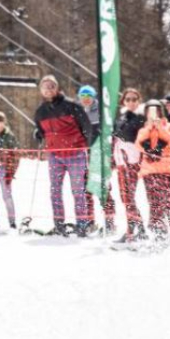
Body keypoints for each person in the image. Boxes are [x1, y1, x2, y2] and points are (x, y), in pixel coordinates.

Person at [33, 75, 96, 235]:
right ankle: (59, 224)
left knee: (77, 191)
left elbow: (86, 127)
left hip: (75, 154)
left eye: (52, 86)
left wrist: (83, 145)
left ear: (57, 88)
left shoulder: (71, 106)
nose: (49, 89)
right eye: (45, 86)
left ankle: (82, 224)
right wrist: (38, 135)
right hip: (55, 156)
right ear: (41, 90)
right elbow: (42, 131)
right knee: (55, 191)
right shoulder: (40, 112)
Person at [135, 99, 170, 240]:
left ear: (161, 111)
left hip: (168, 171)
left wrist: (160, 128)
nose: (153, 113)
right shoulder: (144, 128)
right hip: (150, 172)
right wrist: (150, 127)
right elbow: (139, 144)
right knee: (154, 203)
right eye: (149, 110)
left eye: (155, 109)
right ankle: (158, 233)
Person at [76, 84, 118, 232]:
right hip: (84, 156)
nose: (86, 100)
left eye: (89, 97)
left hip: (100, 156)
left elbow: (112, 134)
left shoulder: (101, 112)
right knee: (85, 190)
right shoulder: (78, 112)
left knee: (103, 189)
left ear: (94, 98)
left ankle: (110, 222)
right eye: (83, 97)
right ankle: (89, 221)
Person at [113, 88, 147, 242]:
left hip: (133, 161)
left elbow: (139, 138)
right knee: (124, 196)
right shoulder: (121, 117)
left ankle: (133, 230)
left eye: (134, 99)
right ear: (124, 101)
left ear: (139, 101)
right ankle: (137, 228)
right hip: (121, 160)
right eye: (128, 99)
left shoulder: (141, 117)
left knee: (128, 196)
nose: (131, 102)